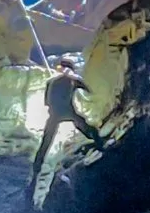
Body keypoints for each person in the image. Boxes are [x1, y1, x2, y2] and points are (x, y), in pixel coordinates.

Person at [29, 60, 108, 194]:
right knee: (81, 125)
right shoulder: (70, 80)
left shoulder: (55, 81)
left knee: (48, 139)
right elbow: (87, 88)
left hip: (56, 113)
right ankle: (100, 143)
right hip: (65, 111)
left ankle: (37, 165)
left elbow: (46, 102)